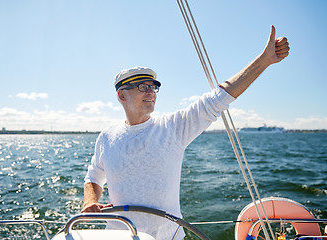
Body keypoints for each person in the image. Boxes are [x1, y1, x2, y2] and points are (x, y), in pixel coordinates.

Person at [82, 25, 290, 240]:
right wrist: (89, 201)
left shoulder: (172, 128)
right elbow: (94, 177)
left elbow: (218, 98)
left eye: (154, 87)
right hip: (120, 236)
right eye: (143, 87)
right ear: (122, 96)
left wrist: (264, 61)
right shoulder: (107, 136)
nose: (151, 92)